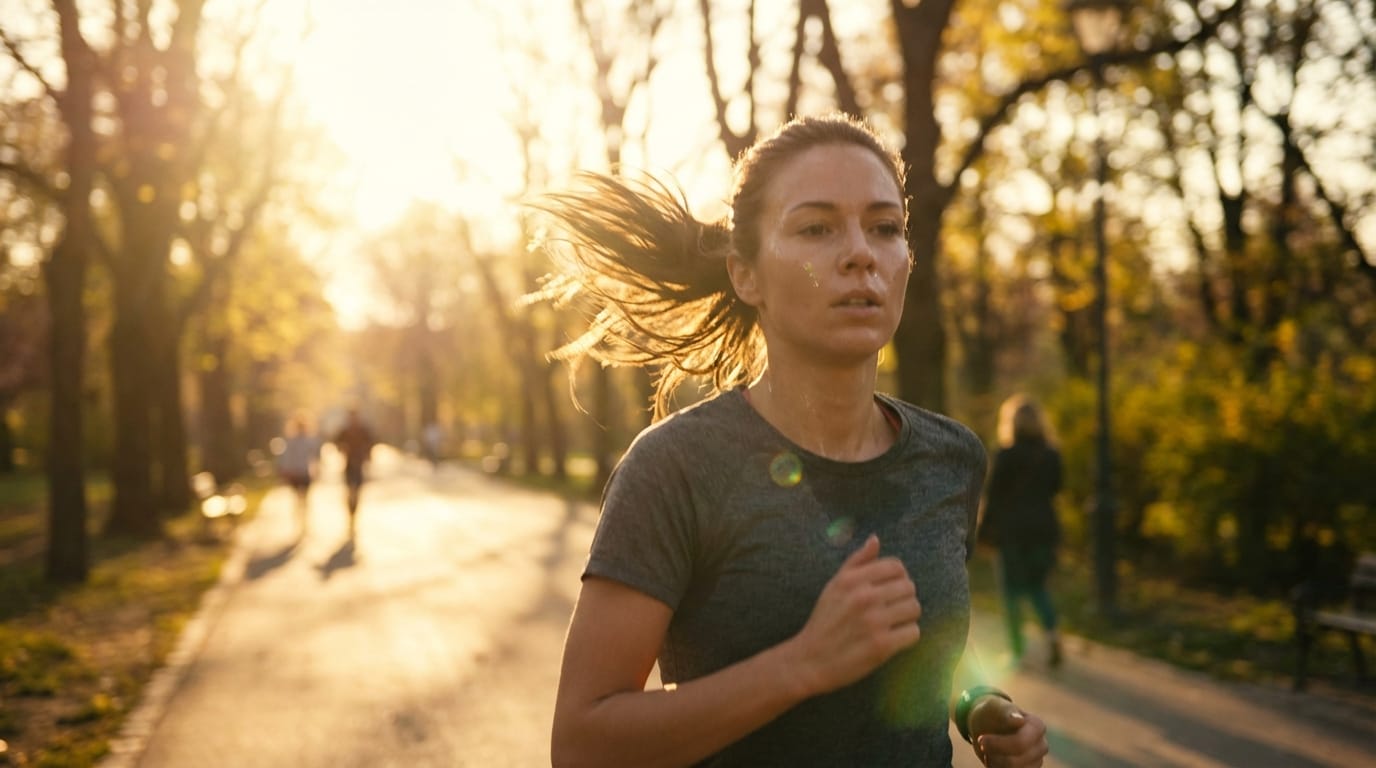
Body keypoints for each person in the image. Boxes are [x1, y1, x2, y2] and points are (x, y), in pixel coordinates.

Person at [537, 114, 1049, 767]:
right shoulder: (676, 468)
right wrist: (800, 665)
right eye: (816, 227)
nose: (861, 251)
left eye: (885, 227)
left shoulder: (952, 458)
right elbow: (581, 745)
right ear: (746, 275)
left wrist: (979, 706)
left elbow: (922, 656)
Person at [978, 395, 1064, 670]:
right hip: (1043, 531)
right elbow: (1057, 488)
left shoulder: (1007, 455)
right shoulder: (1051, 455)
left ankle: (1017, 650)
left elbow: (994, 496)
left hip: (1012, 532)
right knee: (1039, 588)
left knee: (1012, 592)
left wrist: (984, 532)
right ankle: (1052, 635)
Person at [332, 408, 374, 534]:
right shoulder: (344, 430)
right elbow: (336, 444)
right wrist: (343, 449)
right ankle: (350, 516)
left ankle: (354, 516)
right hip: (349, 464)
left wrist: (367, 455)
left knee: (357, 492)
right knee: (350, 490)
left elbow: (370, 444)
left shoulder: (363, 430)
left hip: (359, 464)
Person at [275, 414, 321, 529]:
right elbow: (286, 457)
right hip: (296, 473)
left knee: (304, 497)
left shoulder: (309, 441)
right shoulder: (292, 441)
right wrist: (284, 470)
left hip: (304, 472)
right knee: (298, 497)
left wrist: (316, 469)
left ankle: (304, 518)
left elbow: (315, 455)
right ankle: (300, 518)